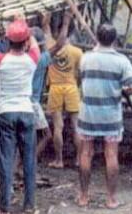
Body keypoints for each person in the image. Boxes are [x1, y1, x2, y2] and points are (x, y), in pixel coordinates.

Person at [76, 23, 132, 209]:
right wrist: (122, 88)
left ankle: (83, 196)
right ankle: (111, 198)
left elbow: (81, 79)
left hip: (88, 114)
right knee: (111, 155)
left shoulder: (85, 58)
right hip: (111, 115)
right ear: (114, 39)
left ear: (96, 37)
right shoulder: (121, 61)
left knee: (86, 154)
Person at [0, 17, 40, 214]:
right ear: (25, 42)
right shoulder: (32, 60)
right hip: (26, 111)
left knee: (6, 160)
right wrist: (26, 28)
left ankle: (5, 207)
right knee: (29, 160)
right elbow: (34, 44)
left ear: (8, 41)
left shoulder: (0, 60)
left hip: (5, 112)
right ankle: (29, 205)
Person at [42, 11, 82, 169]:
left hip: (56, 88)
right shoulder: (78, 52)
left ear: (57, 32)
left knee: (58, 126)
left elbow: (45, 28)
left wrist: (47, 17)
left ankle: (59, 160)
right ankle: (79, 159)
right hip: (71, 87)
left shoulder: (50, 47)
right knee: (76, 125)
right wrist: (67, 20)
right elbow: (79, 74)